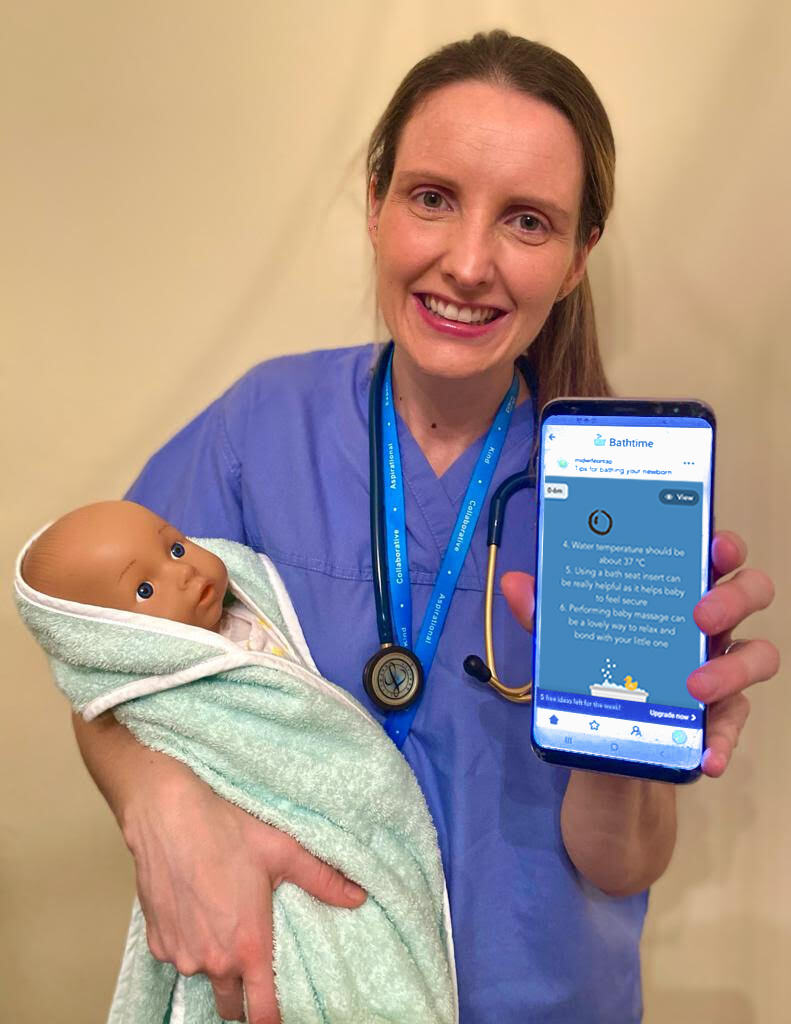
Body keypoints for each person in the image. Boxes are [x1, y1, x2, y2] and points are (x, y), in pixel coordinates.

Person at [71, 30, 778, 1024]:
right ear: (374, 202)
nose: (467, 261)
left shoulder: (610, 508)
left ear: (578, 259)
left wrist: (635, 752)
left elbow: (617, 860)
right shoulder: (257, 428)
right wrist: (158, 807)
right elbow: (106, 657)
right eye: (432, 197)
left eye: (526, 222)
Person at [16, 501, 456, 1022]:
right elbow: (101, 711)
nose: (181, 570)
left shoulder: (247, 602)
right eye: (143, 590)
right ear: (113, 637)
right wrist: (159, 799)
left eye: (176, 546)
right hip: (282, 898)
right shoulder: (161, 689)